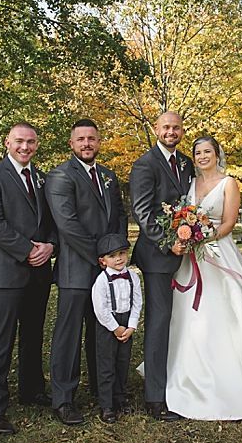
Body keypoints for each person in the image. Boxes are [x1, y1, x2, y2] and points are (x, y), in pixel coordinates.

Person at [164, 137, 242, 421]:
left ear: (217, 154)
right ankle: (188, 374)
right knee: (190, 314)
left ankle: (236, 377)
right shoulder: (190, 183)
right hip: (192, 258)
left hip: (219, 251)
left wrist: (204, 235)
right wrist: (188, 233)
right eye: (198, 153)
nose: (203, 156)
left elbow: (229, 222)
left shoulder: (229, 183)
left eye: (208, 151)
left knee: (228, 312)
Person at [0, 123, 57, 435]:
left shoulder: (42, 178)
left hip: (39, 271)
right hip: (9, 271)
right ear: (8, 142)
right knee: (1, 339)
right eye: (19, 141)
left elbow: (52, 221)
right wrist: (27, 250)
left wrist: (50, 246)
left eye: (31, 142)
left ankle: (32, 389)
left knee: (34, 333)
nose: (25, 147)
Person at [45, 118, 128, 426]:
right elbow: (67, 225)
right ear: (72, 143)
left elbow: (119, 214)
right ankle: (63, 399)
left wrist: (116, 252)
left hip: (106, 272)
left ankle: (103, 390)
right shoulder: (60, 176)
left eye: (91, 138)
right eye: (80, 139)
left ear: (98, 141)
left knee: (103, 332)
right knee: (68, 336)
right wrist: (101, 256)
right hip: (76, 270)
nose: (86, 143)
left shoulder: (108, 176)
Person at [129, 111, 193, 421]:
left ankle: (182, 381)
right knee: (158, 322)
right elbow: (143, 212)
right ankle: (155, 397)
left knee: (179, 320)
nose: (171, 131)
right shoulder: (145, 164)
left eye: (176, 127)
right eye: (166, 127)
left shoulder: (185, 163)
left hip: (186, 252)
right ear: (156, 129)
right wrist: (168, 241)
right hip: (157, 256)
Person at [90, 234, 142, 424]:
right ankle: (106, 405)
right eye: (112, 256)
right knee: (106, 365)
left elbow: (137, 302)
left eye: (122, 253)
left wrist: (131, 326)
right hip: (108, 325)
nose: (119, 258)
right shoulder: (101, 281)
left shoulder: (133, 277)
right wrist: (115, 327)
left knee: (122, 363)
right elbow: (100, 308)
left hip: (126, 323)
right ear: (103, 261)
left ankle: (120, 398)